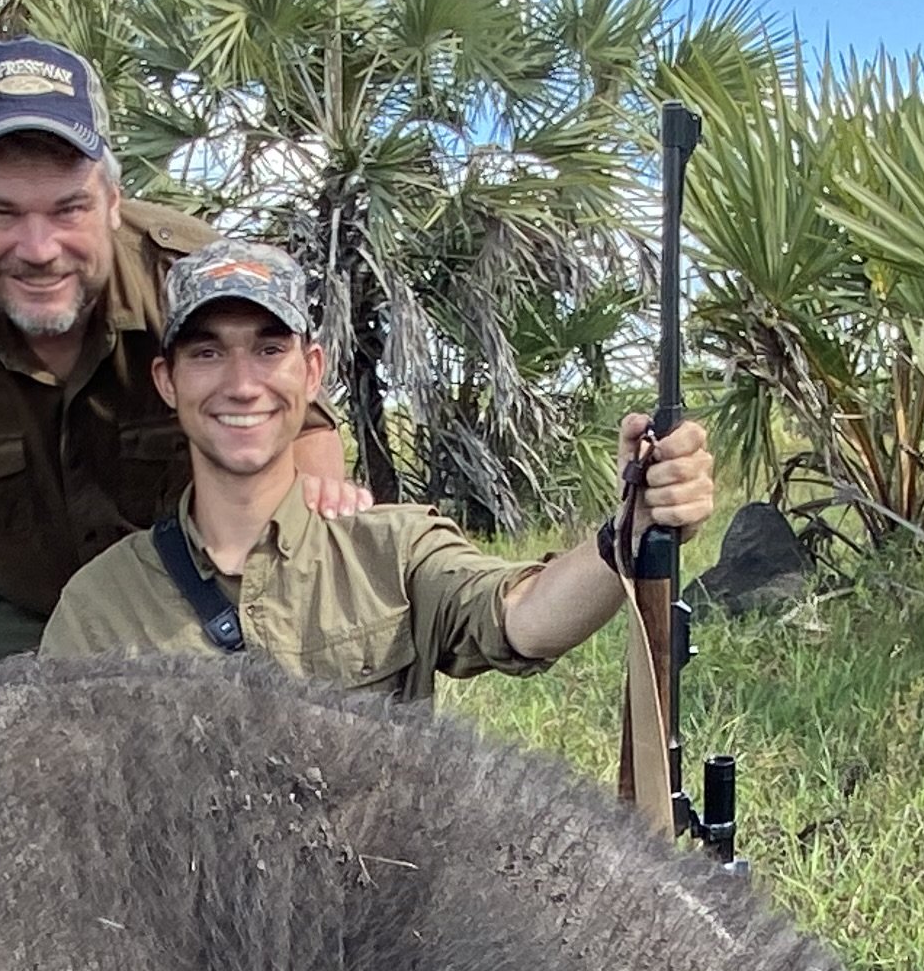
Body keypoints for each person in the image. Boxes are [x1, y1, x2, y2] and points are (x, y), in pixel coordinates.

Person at [0, 39, 356, 679]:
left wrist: (306, 543)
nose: (38, 248)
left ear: (113, 201)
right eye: (1, 211)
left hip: (181, 597)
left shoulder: (189, 275)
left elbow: (302, 426)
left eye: (69, 209)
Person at [43, 241, 718, 704]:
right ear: (168, 381)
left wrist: (628, 531)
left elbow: (521, 619)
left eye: (269, 348)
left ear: (311, 371)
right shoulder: (100, 604)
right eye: (208, 353)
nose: (243, 383)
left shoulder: (393, 549)